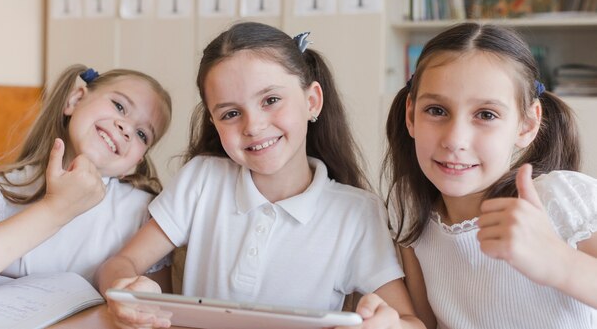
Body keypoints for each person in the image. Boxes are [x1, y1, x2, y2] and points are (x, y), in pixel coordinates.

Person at [98, 22, 424, 329]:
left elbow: (411, 321)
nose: (252, 126)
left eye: (271, 100)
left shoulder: (357, 213)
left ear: (312, 101)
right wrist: (124, 291)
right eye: (231, 113)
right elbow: (120, 263)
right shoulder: (202, 179)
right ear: (213, 121)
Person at [360, 22, 596, 329]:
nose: (455, 139)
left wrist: (560, 263)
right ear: (411, 114)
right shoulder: (409, 205)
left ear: (526, 125)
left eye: (486, 115)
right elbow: (424, 324)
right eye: (436, 110)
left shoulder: (560, 198)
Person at [0, 64, 172, 292]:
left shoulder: (144, 216)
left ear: (135, 163)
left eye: (142, 134)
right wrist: (55, 209)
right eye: (119, 106)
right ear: (75, 100)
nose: (126, 128)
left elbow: (155, 311)